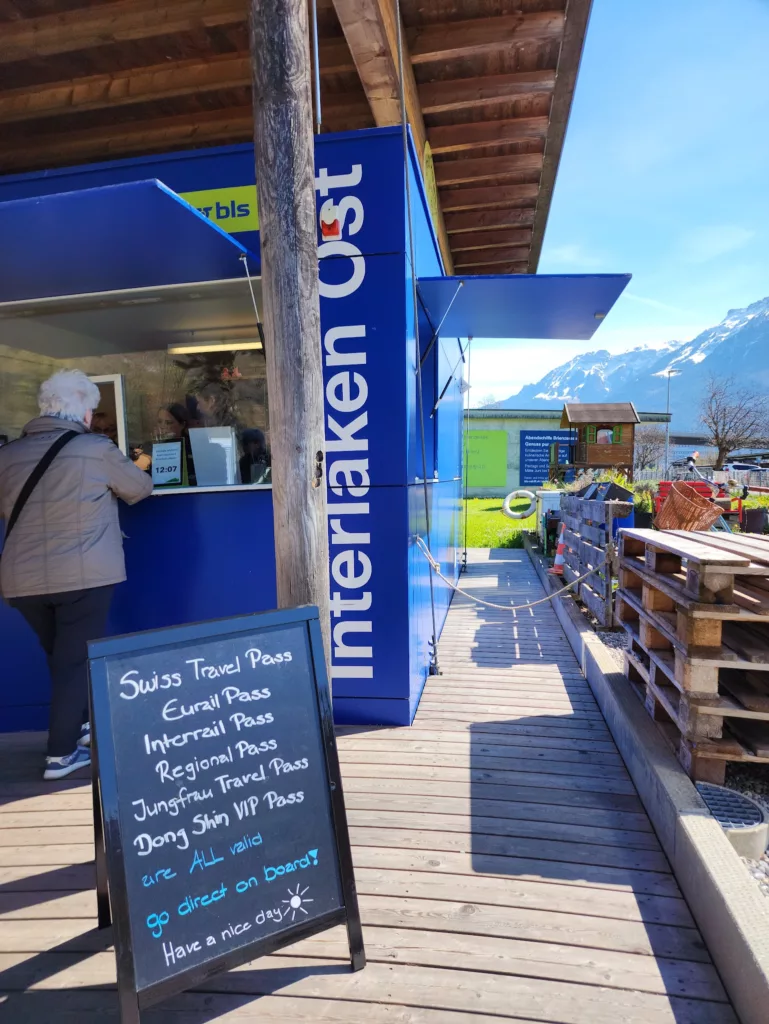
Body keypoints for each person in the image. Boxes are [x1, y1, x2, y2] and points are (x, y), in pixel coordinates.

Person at [0, 370, 153, 780]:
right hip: (84, 574)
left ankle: (82, 726)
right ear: (83, 412)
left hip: (22, 579)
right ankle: (60, 754)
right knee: (71, 661)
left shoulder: (8, 455)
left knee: (63, 657)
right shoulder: (95, 449)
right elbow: (138, 488)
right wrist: (141, 461)